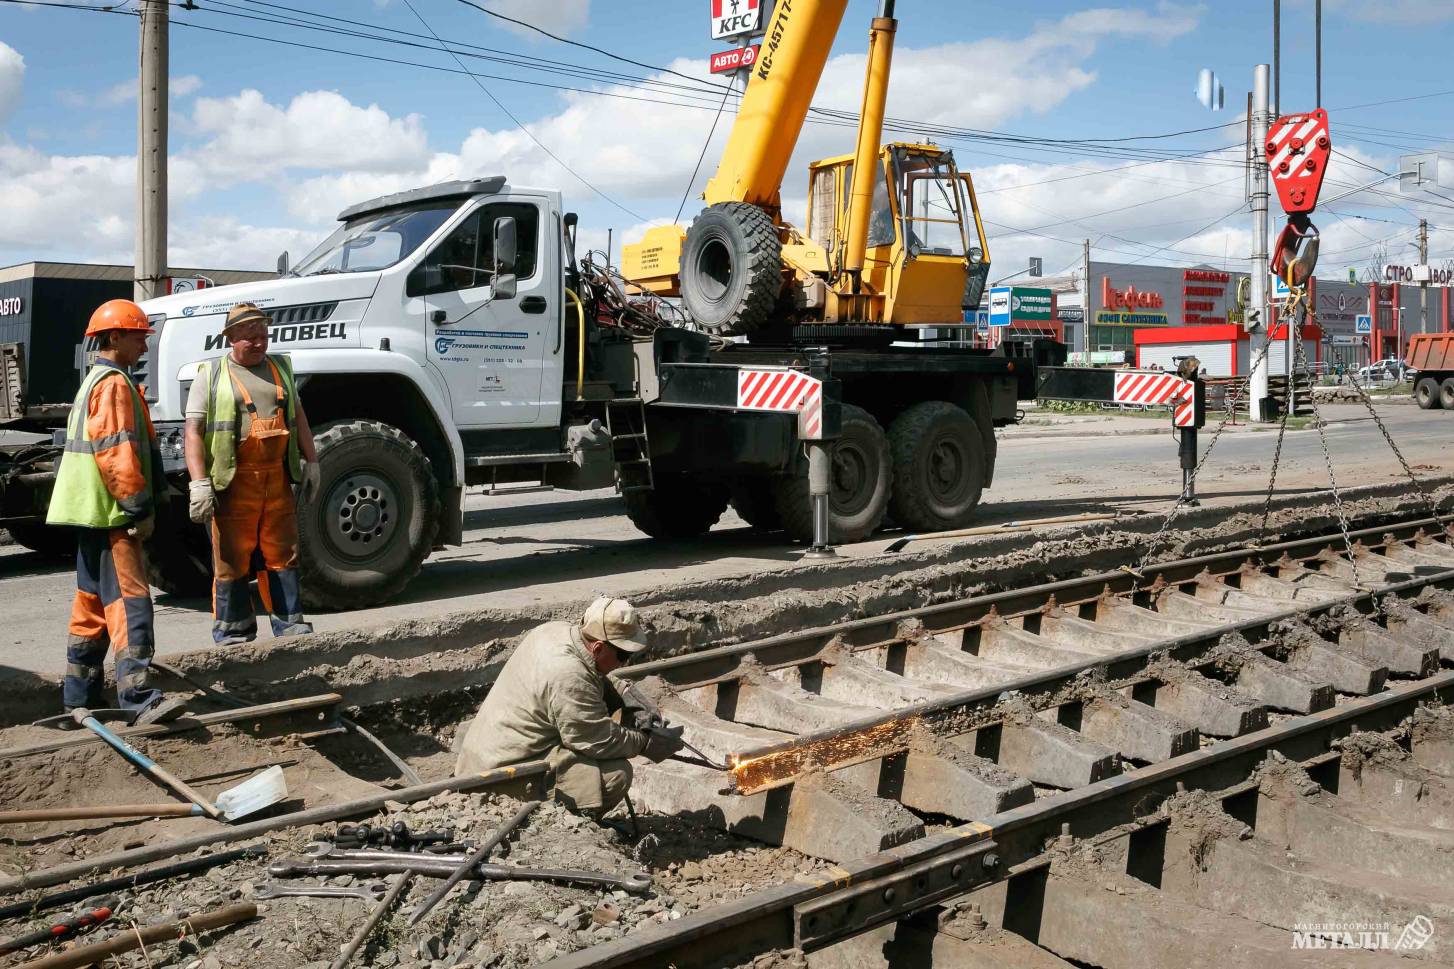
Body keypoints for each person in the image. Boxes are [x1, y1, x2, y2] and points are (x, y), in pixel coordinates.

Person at [46, 299, 186, 724]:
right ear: (114, 337)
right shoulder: (114, 385)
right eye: (138, 336)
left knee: (91, 605)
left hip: (91, 513)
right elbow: (116, 453)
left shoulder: (95, 381)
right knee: (130, 602)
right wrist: (137, 507)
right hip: (112, 514)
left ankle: (79, 697)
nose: (144, 345)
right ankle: (138, 696)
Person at [455, 596, 685, 816]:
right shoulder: (568, 674)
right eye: (623, 656)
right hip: (498, 779)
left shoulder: (555, 631)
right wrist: (645, 743)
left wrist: (625, 693)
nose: (626, 662)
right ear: (597, 648)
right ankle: (560, 829)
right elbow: (597, 741)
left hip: (484, 757)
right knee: (617, 776)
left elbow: (588, 672)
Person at [184, 303, 321, 645]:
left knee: (282, 554)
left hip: (276, 479)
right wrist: (199, 483)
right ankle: (233, 631)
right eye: (250, 337)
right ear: (230, 338)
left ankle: (290, 626)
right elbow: (193, 432)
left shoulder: (281, 368)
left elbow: (299, 417)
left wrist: (313, 460)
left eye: (263, 335)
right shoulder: (212, 374)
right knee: (231, 557)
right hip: (234, 481)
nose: (259, 343)